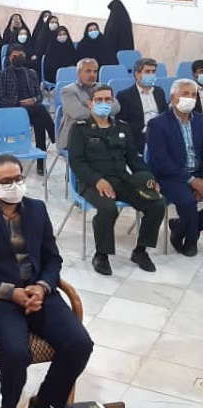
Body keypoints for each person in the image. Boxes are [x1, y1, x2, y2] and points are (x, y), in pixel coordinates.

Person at [0, 154, 94, 408]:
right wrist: (9, 292)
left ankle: (43, 401)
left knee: (80, 344)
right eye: (7, 181)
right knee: (17, 353)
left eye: (18, 178)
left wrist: (42, 287)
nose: (15, 185)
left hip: (38, 293)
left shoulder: (37, 209)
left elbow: (52, 257)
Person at [68, 84, 165, 275]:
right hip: (91, 183)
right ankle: (101, 254)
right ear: (90, 104)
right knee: (108, 208)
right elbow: (76, 162)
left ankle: (140, 251)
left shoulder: (122, 127)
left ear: (112, 102)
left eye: (107, 99)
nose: (103, 103)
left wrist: (150, 179)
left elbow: (133, 158)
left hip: (121, 180)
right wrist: (97, 180)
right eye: (99, 100)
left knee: (157, 203)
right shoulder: (80, 129)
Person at [147, 79, 203, 257]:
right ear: (173, 98)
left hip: (198, 173)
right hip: (170, 176)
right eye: (185, 94)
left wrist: (201, 180)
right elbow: (161, 161)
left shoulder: (201, 121)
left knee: (190, 204)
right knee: (188, 202)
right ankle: (191, 240)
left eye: (193, 95)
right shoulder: (157, 124)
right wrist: (192, 181)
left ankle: (180, 226)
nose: (190, 98)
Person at [0, 44, 56, 175]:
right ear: (9, 58)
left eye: (21, 55)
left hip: (32, 109)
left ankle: (40, 163)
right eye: (15, 56)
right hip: (13, 111)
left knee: (39, 122)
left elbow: (39, 96)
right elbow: (0, 99)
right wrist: (19, 103)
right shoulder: (3, 74)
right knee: (41, 110)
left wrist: (33, 100)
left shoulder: (31, 73)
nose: (18, 58)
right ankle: (54, 135)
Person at [58, 58, 121, 150]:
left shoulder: (103, 88)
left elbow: (116, 107)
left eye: (95, 71)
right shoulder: (68, 91)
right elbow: (79, 114)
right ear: (79, 73)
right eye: (88, 71)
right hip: (76, 136)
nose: (92, 74)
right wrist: (103, 108)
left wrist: (91, 106)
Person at [116, 58, 169, 154]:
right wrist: (145, 128)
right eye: (147, 72)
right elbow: (121, 123)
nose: (151, 75)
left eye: (153, 72)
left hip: (161, 135)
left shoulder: (159, 92)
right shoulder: (124, 96)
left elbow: (165, 114)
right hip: (139, 137)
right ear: (137, 74)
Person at [103, 0, 134, 66]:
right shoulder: (126, 20)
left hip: (114, 53)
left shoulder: (113, 22)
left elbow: (109, 36)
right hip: (126, 53)